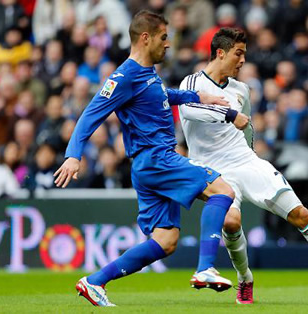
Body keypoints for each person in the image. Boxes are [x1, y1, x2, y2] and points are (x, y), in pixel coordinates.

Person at [53, 11, 249, 307]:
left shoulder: (146, 75)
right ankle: (205, 268)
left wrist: (198, 97)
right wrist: (73, 156)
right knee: (223, 191)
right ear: (145, 38)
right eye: (163, 37)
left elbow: (161, 95)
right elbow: (90, 115)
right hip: (156, 159)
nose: (168, 44)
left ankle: (94, 281)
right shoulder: (123, 76)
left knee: (166, 241)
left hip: (149, 165)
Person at [179, 28, 308, 304]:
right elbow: (187, 110)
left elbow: (247, 127)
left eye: (245, 54)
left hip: (246, 161)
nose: (243, 61)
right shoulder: (191, 82)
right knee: (231, 221)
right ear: (220, 52)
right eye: (238, 53)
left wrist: (251, 152)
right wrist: (228, 114)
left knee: (301, 215)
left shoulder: (241, 89)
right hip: (213, 170)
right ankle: (245, 278)